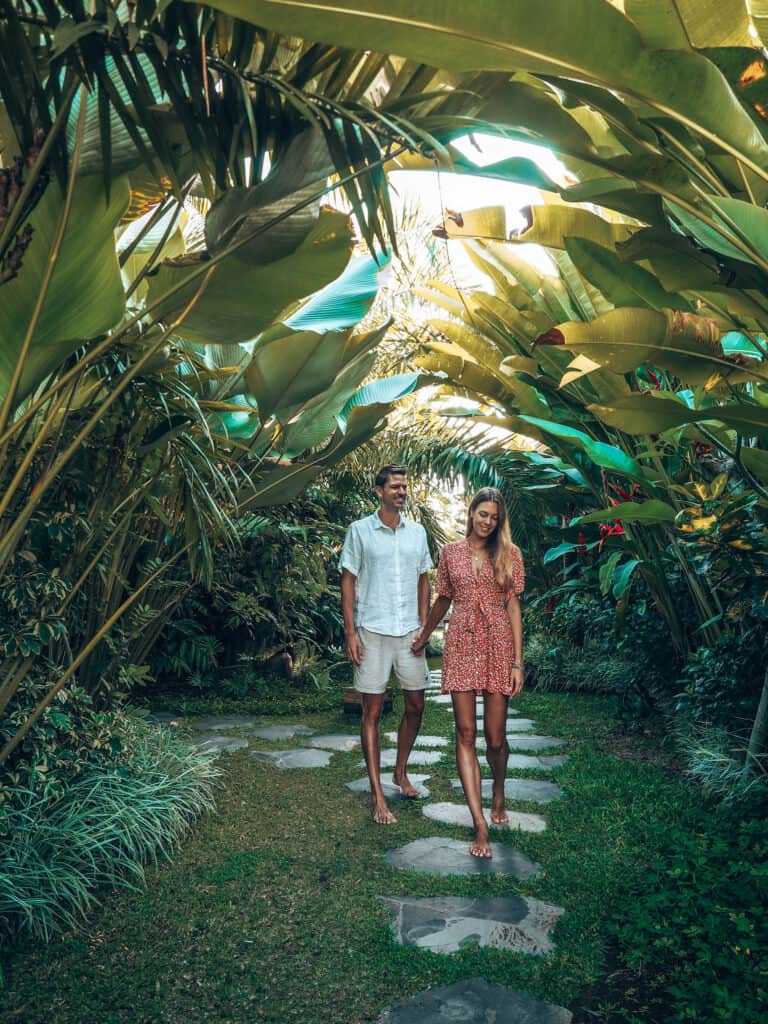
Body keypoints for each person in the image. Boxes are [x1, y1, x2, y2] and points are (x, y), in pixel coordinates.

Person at [411, 488, 525, 858]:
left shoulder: (510, 554)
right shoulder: (450, 553)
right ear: (472, 511)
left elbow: (513, 609)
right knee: (464, 733)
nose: (487, 521)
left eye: (494, 517)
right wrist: (424, 636)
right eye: (483, 514)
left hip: (497, 645)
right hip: (461, 643)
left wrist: (517, 662)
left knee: (495, 739)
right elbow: (443, 598)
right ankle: (479, 824)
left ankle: (499, 792)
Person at [339, 464, 432, 825]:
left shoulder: (418, 533)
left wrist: (423, 627)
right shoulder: (359, 531)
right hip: (373, 632)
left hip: (409, 633)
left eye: (405, 487)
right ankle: (378, 795)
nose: (402, 492)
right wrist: (350, 633)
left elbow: (424, 579)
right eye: (395, 487)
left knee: (416, 705)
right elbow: (348, 582)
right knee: (372, 712)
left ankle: (400, 771)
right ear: (379, 491)